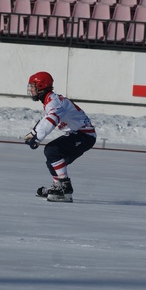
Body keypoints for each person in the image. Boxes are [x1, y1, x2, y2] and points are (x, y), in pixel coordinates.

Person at [24, 71, 96, 202]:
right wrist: (33, 133)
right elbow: (45, 119)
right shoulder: (50, 100)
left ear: (41, 86)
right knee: (52, 159)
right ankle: (57, 187)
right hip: (78, 134)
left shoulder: (54, 102)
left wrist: (38, 139)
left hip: (85, 135)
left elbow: (51, 120)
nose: (30, 89)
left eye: (32, 86)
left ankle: (65, 188)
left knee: (52, 151)